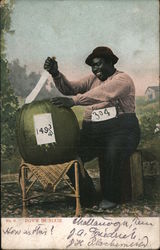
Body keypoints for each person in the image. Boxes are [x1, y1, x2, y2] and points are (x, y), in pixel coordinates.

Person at [44, 46, 140, 209]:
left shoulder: (122, 79)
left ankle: (111, 198)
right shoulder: (92, 78)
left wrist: (74, 101)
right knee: (69, 155)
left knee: (112, 152)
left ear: (110, 62)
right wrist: (56, 74)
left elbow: (103, 93)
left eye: (99, 64)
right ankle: (88, 195)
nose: (96, 69)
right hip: (95, 132)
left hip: (123, 130)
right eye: (93, 66)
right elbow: (71, 89)